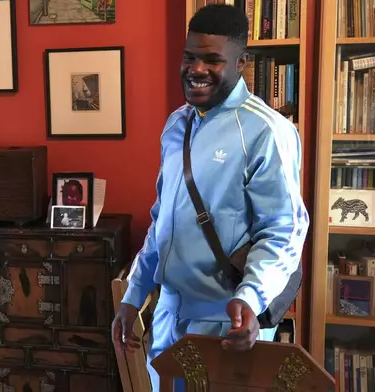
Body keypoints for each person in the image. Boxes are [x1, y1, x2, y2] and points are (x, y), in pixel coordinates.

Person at [111, 4, 308, 391]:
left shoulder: (267, 132)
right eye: (190, 57)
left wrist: (251, 299)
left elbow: (284, 231)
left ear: (241, 62)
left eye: (213, 60)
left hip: (227, 324)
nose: (196, 69)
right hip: (169, 317)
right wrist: (133, 295)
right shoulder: (176, 125)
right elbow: (161, 221)